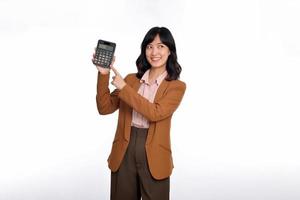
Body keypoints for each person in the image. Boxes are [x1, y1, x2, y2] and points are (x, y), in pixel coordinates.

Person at [92, 27, 186, 200]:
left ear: (170, 51)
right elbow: (104, 108)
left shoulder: (176, 87)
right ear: (144, 50)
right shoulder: (130, 80)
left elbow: (155, 113)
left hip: (155, 155)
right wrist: (103, 74)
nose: (154, 52)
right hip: (124, 151)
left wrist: (124, 89)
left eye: (161, 46)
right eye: (149, 46)